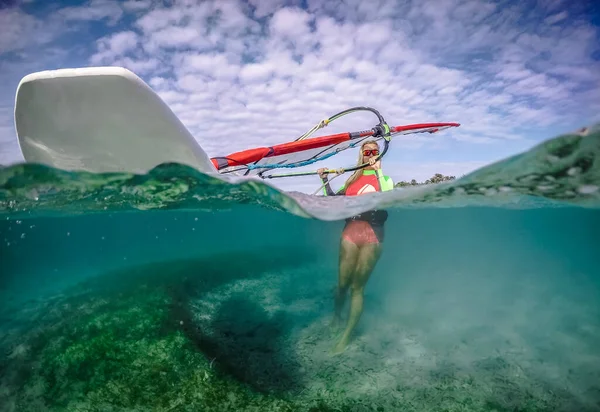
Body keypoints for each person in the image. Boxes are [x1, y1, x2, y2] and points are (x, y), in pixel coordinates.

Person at [317, 140, 394, 354]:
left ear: (379, 155)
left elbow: (386, 198)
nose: (371, 155)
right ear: (361, 155)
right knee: (342, 284)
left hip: (374, 236)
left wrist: (378, 172)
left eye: (375, 152)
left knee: (357, 288)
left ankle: (346, 336)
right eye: (367, 151)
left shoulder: (385, 179)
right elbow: (332, 200)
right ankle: (336, 317)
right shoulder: (352, 179)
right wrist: (324, 180)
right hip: (350, 233)